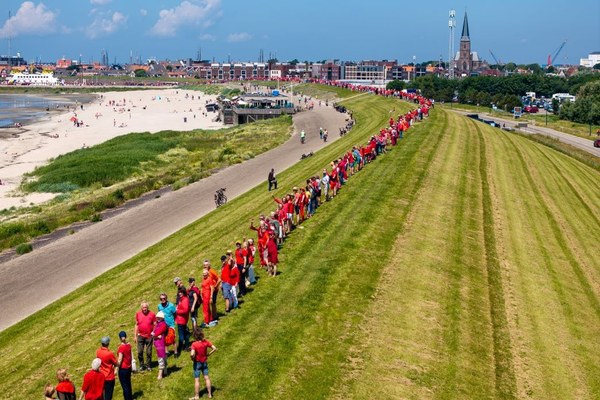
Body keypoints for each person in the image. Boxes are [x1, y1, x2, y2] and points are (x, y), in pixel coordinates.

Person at [190, 328, 217, 400]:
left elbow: (192, 354)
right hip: (204, 362)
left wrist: (192, 358)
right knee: (207, 378)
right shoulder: (206, 342)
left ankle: (197, 396)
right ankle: (210, 394)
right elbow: (214, 348)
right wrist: (208, 354)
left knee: (197, 380)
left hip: (197, 364)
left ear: (195, 336)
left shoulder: (194, 344)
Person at [134, 302, 156, 372]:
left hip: (149, 336)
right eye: (143, 308)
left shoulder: (152, 314)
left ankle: (148, 365)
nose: (144, 309)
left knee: (149, 352)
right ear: (141, 308)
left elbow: (155, 324)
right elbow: (136, 325)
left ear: (147, 307)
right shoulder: (138, 314)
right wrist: (135, 336)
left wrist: (154, 333)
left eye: (145, 307)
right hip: (140, 336)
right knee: (140, 352)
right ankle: (141, 365)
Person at [116, 331, 133, 400]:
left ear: (120, 338)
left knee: (124, 386)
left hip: (123, 369)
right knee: (128, 384)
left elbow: (120, 359)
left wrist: (116, 368)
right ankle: (130, 397)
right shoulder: (128, 345)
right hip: (129, 367)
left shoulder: (121, 348)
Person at [152, 311, 169, 380]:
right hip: (158, 343)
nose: (158, 318)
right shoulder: (158, 324)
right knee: (162, 357)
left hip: (160, 343)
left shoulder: (163, 325)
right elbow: (154, 333)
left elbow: (155, 333)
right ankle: (165, 371)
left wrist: (155, 335)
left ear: (162, 318)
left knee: (161, 358)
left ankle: (160, 374)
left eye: (160, 317)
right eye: (157, 317)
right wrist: (154, 335)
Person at [175, 286, 191, 356]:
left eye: (181, 292)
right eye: (179, 292)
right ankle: (186, 346)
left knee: (181, 335)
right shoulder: (181, 299)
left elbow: (185, 310)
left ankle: (180, 348)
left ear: (184, 292)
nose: (179, 293)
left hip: (182, 320)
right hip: (181, 319)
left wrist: (177, 310)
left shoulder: (185, 300)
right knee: (186, 334)